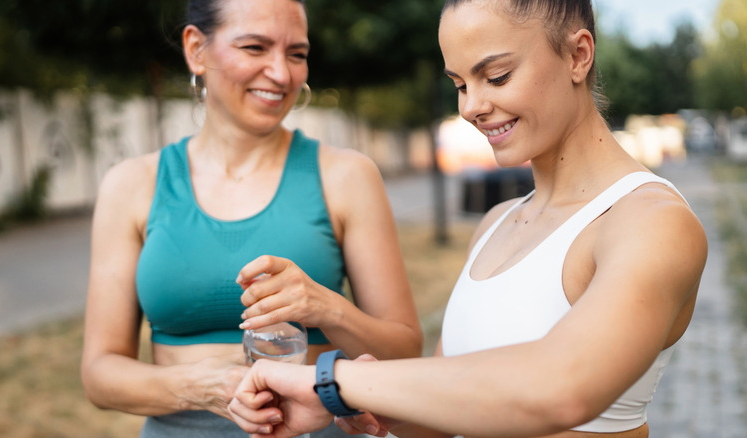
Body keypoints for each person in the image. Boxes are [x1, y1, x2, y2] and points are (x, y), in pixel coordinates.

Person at [226, 0, 708, 437]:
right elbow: (443, 423)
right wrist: (370, 405)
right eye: (459, 84)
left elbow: (563, 387)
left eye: (495, 76)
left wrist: (348, 382)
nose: (470, 107)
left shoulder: (651, 221)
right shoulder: (495, 223)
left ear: (578, 55)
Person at [79, 0, 423, 437]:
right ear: (196, 50)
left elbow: (405, 355)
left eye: (296, 54)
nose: (282, 74)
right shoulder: (131, 185)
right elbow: (100, 376)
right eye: (255, 47)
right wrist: (207, 388)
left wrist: (328, 308)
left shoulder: (347, 176)